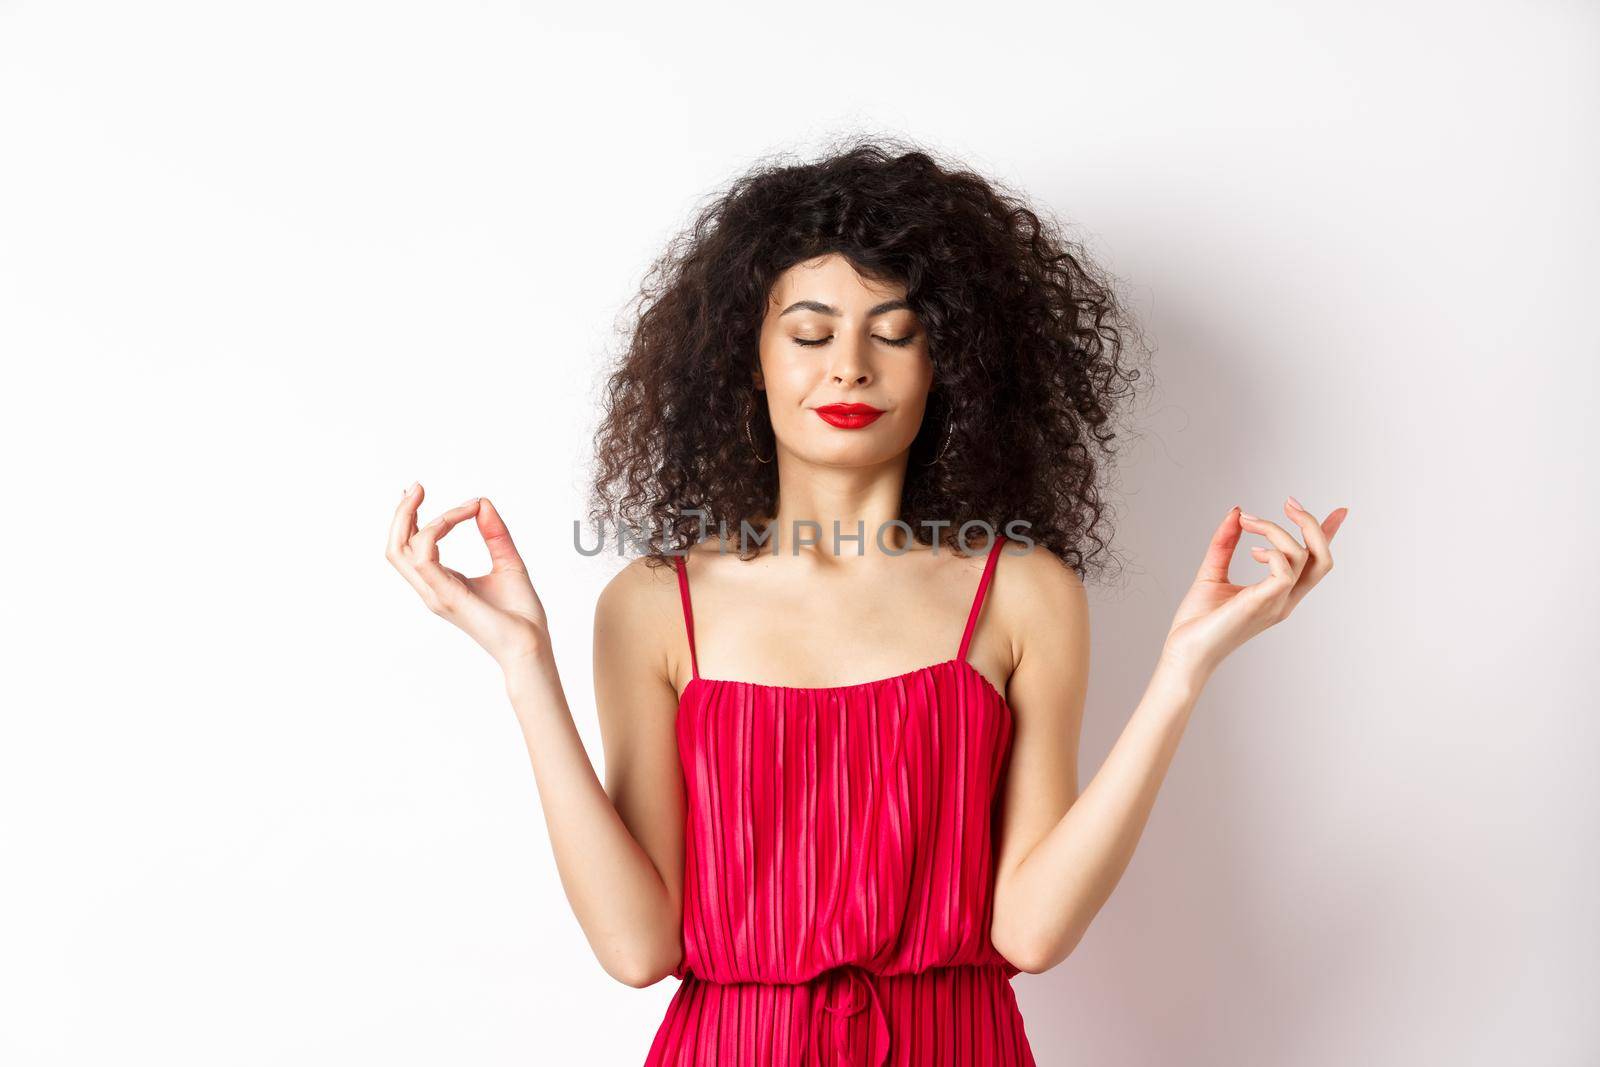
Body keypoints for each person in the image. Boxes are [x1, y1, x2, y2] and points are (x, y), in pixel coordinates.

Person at [384, 137, 1347, 1065]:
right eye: (809, 332)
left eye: (895, 334)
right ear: (744, 358)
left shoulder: (1020, 592)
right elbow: (639, 950)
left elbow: (1034, 929)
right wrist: (524, 665)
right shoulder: (651, 604)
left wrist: (1183, 673)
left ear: (951, 366)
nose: (849, 365)